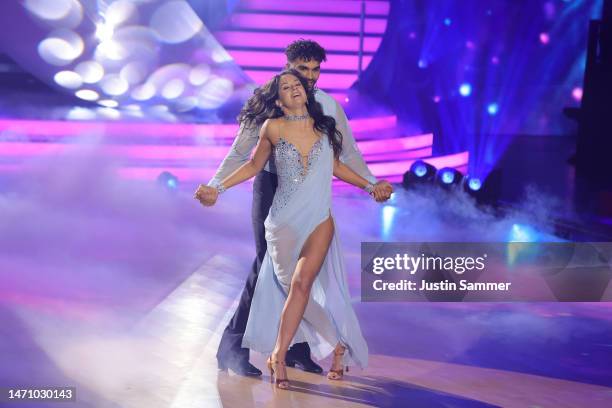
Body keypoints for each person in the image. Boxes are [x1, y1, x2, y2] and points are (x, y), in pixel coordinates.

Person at [195, 40, 392, 377]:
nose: (310, 77)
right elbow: (241, 153)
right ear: (287, 65)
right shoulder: (269, 102)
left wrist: (372, 184)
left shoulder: (328, 106)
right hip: (272, 188)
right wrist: (215, 185)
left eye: (316, 70)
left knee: (305, 277)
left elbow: (348, 154)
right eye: (303, 70)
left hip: (311, 196)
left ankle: (298, 349)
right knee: (267, 267)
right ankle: (232, 346)